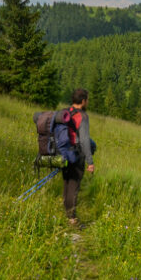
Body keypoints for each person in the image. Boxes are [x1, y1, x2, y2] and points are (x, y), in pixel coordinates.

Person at [62, 88, 94, 225]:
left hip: (64, 152)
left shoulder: (65, 112)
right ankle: (71, 219)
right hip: (76, 154)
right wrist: (90, 162)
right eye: (87, 100)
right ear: (83, 101)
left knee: (67, 184)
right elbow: (84, 140)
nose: (87, 102)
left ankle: (67, 214)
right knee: (73, 187)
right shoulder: (83, 116)